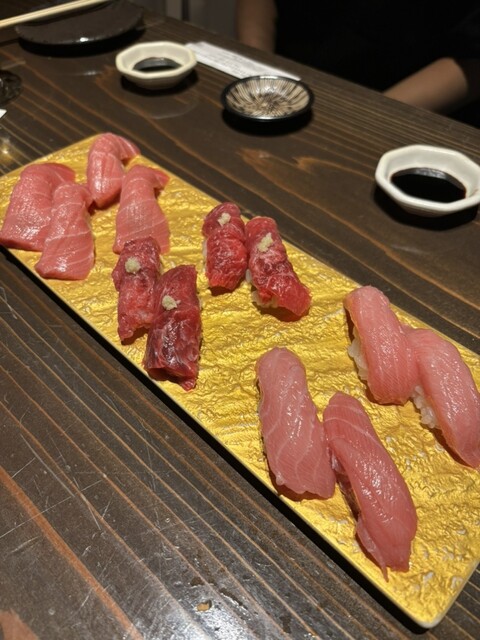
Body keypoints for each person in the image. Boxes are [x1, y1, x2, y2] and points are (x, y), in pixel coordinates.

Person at [235, 0, 480, 123]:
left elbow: (472, 57)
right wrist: (257, 75)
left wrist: (356, 120)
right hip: (287, 83)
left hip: (400, 111)